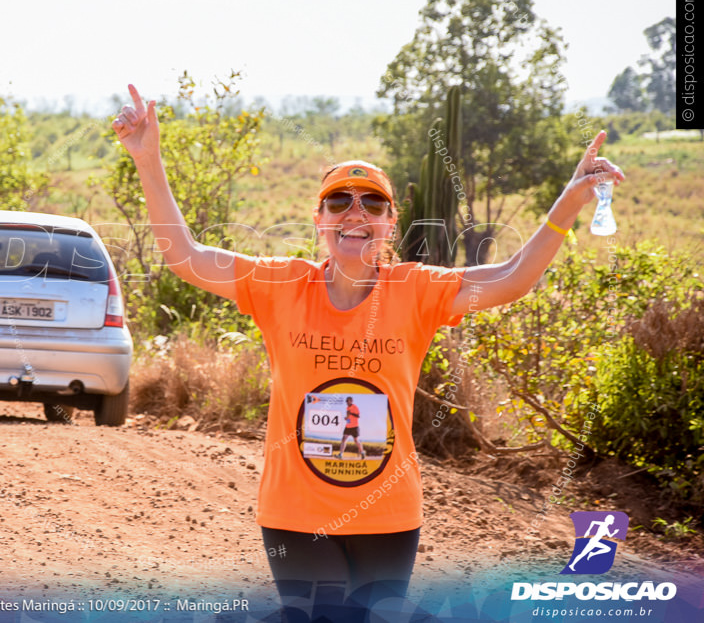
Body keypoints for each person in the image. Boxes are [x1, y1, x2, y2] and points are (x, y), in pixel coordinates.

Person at [112, 84, 624, 620]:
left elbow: (512, 277)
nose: (354, 212)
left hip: (389, 515)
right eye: (339, 200)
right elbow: (186, 257)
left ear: (389, 223)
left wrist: (569, 201)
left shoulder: (415, 290)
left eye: (372, 202)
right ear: (319, 219)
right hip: (295, 513)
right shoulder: (281, 285)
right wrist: (148, 159)